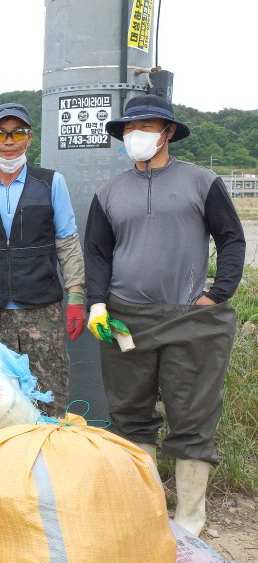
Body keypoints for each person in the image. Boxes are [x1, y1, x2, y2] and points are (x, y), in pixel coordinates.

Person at [84, 94, 245, 536]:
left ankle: (190, 517)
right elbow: (96, 253)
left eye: (149, 127)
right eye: (131, 130)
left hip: (193, 319)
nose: (139, 136)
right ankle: (145, 509)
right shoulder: (109, 192)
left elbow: (231, 239)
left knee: (192, 414)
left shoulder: (201, 182)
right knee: (131, 413)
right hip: (126, 316)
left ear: (169, 132)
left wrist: (218, 293)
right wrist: (96, 302)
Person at [0, 103, 85, 419]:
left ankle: (48, 461)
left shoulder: (50, 183)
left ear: (29, 138)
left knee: (48, 398)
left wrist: (75, 296)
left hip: (40, 311)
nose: (9, 141)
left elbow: (68, 243)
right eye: (1, 134)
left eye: (17, 132)